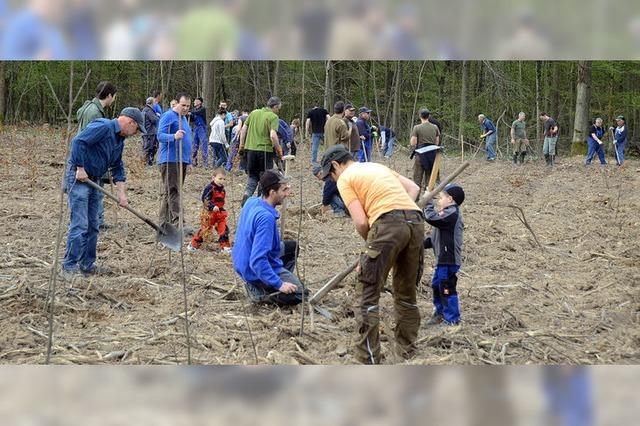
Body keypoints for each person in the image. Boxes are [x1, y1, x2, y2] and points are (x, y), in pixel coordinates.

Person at [319, 145, 424, 364]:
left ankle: (368, 360)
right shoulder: (376, 166)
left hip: (386, 223)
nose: (332, 179)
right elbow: (413, 188)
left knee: (367, 295)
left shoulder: (345, 179)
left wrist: (371, 246)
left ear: (336, 165)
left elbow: (360, 221)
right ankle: (407, 353)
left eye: (330, 174)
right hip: (415, 221)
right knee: (406, 293)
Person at [60, 107, 146, 280]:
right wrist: (80, 168)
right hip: (79, 178)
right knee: (80, 224)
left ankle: (86, 265)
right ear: (130, 122)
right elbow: (78, 142)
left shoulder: (119, 140)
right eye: (137, 129)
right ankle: (69, 267)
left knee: (93, 224)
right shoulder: (103, 126)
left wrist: (122, 194)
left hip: (95, 180)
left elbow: (117, 167)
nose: (135, 133)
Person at [232, 170, 308, 306]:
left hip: (242, 261)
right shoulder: (265, 219)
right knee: (301, 293)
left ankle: (271, 282)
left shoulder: (252, 201)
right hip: (252, 269)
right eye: (284, 190)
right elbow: (258, 260)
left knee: (292, 247)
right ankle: (262, 293)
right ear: (272, 192)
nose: (288, 193)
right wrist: (279, 284)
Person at [76, 81, 118, 230]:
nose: (114, 99)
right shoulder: (94, 112)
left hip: (87, 157)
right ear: (109, 95)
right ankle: (96, 222)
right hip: (89, 159)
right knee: (95, 191)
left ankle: (94, 220)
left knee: (93, 191)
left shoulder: (89, 107)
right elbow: (90, 138)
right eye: (114, 96)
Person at [423, 184, 465, 326]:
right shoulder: (446, 215)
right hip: (442, 259)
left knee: (446, 288)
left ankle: (452, 319)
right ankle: (440, 312)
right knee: (437, 285)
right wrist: (418, 244)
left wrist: (427, 201)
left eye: (440, 198)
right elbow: (434, 239)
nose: (438, 201)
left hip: (449, 260)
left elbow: (431, 218)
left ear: (450, 199)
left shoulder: (451, 213)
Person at [157, 92, 194, 234]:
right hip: (170, 159)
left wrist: (189, 160)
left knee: (170, 192)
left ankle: (163, 223)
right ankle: (179, 223)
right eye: (183, 105)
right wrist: (174, 136)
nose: (185, 108)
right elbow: (159, 136)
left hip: (182, 160)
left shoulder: (184, 119)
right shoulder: (168, 116)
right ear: (176, 103)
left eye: (188, 106)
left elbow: (187, 140)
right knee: (174, 190)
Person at [238, 97, 283, 206]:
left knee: (252, 177)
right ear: (275, 106)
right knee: (264, 180)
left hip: (250, 151)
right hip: (265, 151)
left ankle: (247, 196)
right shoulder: (273, 117)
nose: (278, 111)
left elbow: (243, 129)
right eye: (279, 108)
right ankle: (259, 204)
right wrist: (279, 149)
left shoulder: (254, 113)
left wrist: (242, 145)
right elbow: (273, 135)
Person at [188, 168, 231, 253]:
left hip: (220, 213)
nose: (222, 181)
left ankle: (225, 246)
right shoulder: (210, 188)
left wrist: (221, 209)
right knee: (205, 229)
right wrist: (212, 206)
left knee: (223, 229)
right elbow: (205, 199)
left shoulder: (223, 190)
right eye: (220, 178)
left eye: (224, 179)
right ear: (213, 177)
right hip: (210, 214)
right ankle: (193, 244)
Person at [410, 109, 441, 193]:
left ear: (420, 116)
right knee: (429, 178)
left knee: (417, 177)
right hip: (432, 154)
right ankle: (428, 200)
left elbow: (413, 142)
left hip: (420, 155)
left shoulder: (417, 127)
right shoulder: (435, 127)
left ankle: (416, 198)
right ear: (429, 116)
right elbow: (437, 142)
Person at [190, 97, 209, 168]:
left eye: (195, 101)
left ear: (199, 102)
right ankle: (194, 161)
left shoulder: (202, 109)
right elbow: (192, 118)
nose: (194, 102)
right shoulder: (193, 110)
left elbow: (196, 113)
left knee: (204, 145)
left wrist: (190, 112)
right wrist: (189, 115)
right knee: (194, 145)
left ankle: (205, 164)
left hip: (202, 128)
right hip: (195, 128)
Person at [142, 97, 160, 166]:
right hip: (149, 132)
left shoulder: (144, 109)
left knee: (150, 147)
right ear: (152, 103)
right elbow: (154, 120)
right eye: (154, 102)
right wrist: (158, 116)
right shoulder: (149, 110)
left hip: (146, 132)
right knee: (149, 148)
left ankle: (149, 161)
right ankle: (146, 162)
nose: (155, 104)